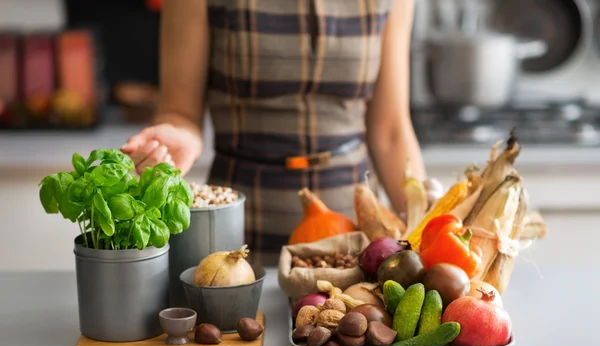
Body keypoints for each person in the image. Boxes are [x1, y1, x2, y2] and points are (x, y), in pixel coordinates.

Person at [121, 0, 427, 267]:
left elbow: (390, 133)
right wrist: (177, 137)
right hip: (237, 236)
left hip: (357, 241)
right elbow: (181, 112)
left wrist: (429, 229)